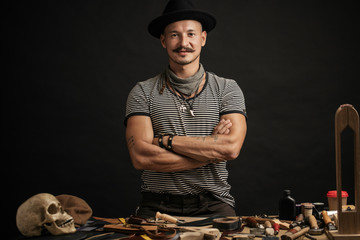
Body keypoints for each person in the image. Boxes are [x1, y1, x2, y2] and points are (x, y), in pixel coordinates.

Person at [125, 0, 247, 218]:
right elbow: (141, 157)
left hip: (214, 203)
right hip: (156, 204)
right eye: (174, 35)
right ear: (163, 40)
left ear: (203, 38)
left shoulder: (227, 89)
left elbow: (230, 149)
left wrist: (165, 141)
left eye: (191, 34)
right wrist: (210, 153)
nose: (184, 42)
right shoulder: (142, 92)